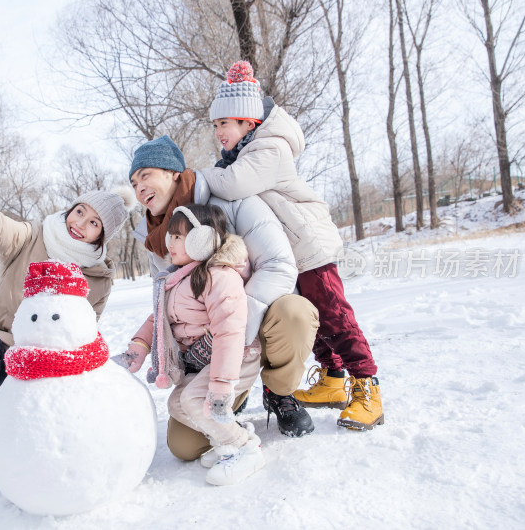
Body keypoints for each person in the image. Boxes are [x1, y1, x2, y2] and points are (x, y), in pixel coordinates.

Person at [198, 61, 383, 431]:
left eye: (225, 123)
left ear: (248, 122)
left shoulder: (269, 148)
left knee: (336, 317)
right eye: (215, 124)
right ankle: (332, 380)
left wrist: (196, 177)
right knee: (313, 321)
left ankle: (367, 389)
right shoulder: (243, 153)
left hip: (309, 247)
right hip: (290, 252)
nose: (218, 132)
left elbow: (232, 185)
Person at [0, 145, 135, 491]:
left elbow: (84, 329)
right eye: (80, 211)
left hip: (49, 355)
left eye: (93, 222)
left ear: (102, 235)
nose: (80, 223)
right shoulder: (33, 235)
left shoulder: (97, 276)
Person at [128, 134, 320, 463]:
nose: (138, 187)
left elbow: (278, 265)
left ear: (173, 172)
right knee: (185, 446)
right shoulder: (158, 242)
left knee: (295, 312)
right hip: (208, 352)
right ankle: (232, 401)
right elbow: (166, 308)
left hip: (251, 330)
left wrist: (229, 328)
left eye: (145, 175)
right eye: (132, 183)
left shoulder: (232, 200)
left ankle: (279, 391)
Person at [117, 204, 264, 485]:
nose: (169, 242)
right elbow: (157, 317)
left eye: (178, 236)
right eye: (170, 235)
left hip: (236, 359)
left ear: (202, 239)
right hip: (206, 362)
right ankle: (226, 441)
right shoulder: (177, 278)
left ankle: (246, 448)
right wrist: (138, 345)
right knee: (177, 404)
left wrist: (221, 385)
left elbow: (229, 332)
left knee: (195, 400)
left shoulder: (220, 275)